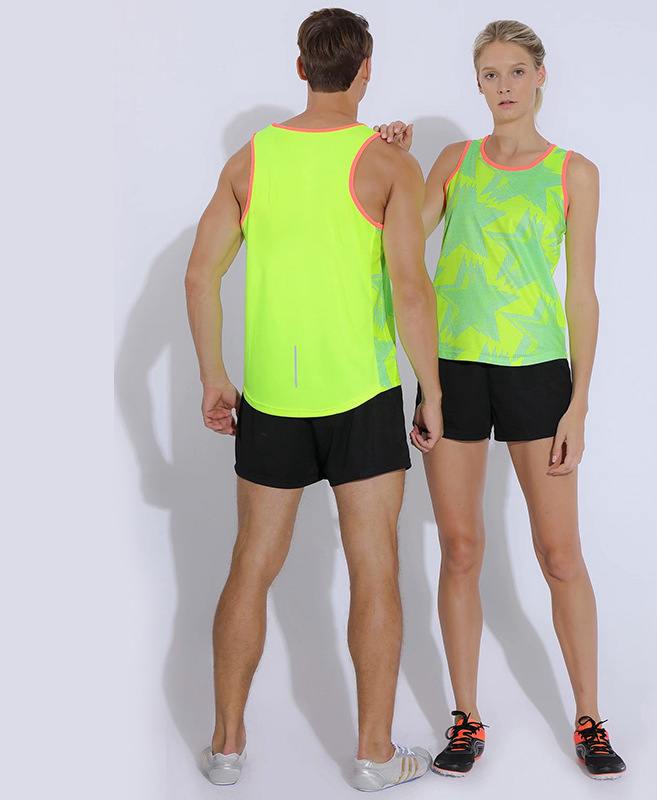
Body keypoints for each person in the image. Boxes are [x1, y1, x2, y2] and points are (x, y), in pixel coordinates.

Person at [184, 8, 443, 791]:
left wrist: (214, 375)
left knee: (251, 563)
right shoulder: (388, 165)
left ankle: (226, 748)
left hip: (271, 398)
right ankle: (373, 755)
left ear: (302, 68)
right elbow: (410, 289)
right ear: (365, 70)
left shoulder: (250, 160)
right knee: (376, 568)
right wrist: (432, 389)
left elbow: (200, 274)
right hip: (361, 397)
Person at [374, 19, 627, 781]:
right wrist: (393, 161)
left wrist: (579, 404)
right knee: (461, 548)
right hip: (453, 371)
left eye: (517, 71)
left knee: (560, 555)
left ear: (540, 76)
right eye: (491, 73)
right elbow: (399, 243)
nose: (505, 85)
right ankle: (465, 716)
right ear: (478, 82)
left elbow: (581, 295)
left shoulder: (574, 172)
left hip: (537, 374)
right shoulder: (455, 161)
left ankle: (589, 717)